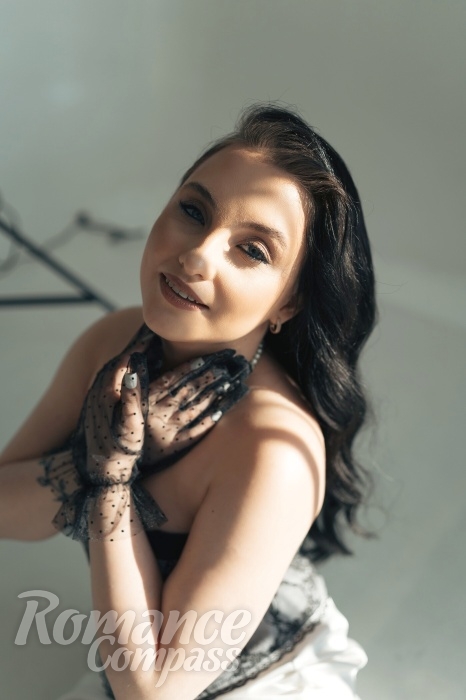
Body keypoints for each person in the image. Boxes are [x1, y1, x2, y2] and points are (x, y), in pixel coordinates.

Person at [0, 103, 378, 699]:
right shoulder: (112, 340)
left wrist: (116, 481)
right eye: (194, 211)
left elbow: (153, 690)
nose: (198, 254)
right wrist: (106, 459)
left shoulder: (274, 450)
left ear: (288, 303)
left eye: (253, 250)